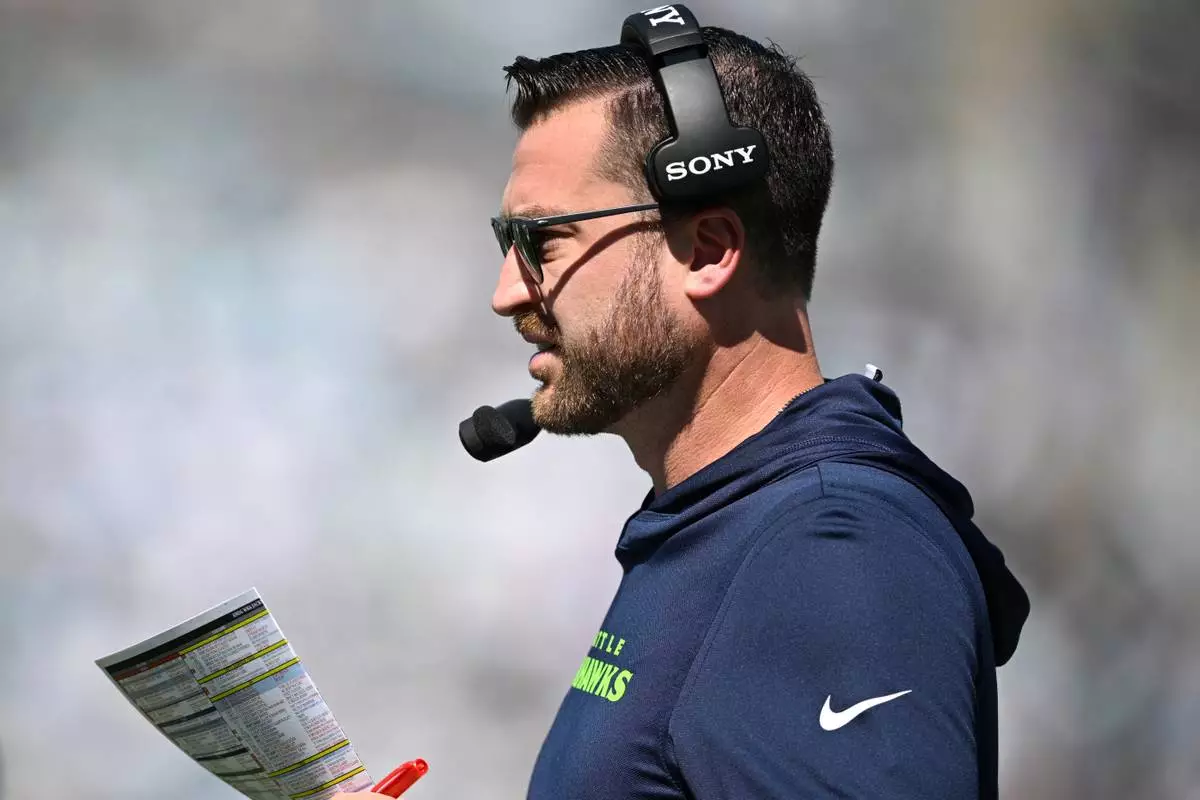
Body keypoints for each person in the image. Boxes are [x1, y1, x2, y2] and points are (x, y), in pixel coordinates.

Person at [338, 8, 1029, 800]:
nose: (507, 294)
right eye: (507, 243)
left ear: (710, 251)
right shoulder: (725, 524)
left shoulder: (830, 547)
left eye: (541, 243)